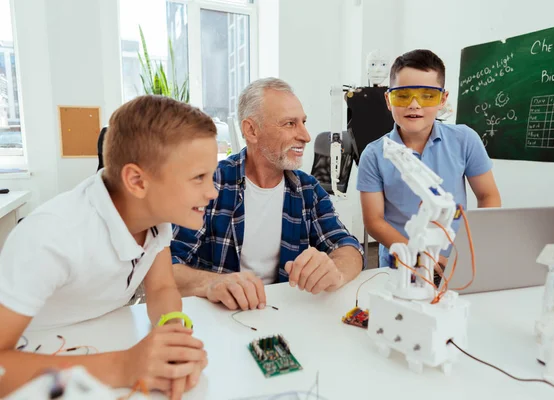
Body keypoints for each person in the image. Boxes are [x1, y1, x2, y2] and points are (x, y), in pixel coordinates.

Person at [0, 95, 218, 399]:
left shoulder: (154, 216)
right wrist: (124, 366)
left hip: (92, 345)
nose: (212, 191)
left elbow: (161, 288)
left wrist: (172, 333)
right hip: (35, 364)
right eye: (199, 178)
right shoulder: (51, 236)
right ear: (137, 182)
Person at [171, 78, 364, 311]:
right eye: (290, 124)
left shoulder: (308, 190)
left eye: (303, 122)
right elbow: (164, 267)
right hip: (219, 315)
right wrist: (212, 283)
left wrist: (336, 270)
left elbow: (349, 248)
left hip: (282, 311)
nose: (306, 136)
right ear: (251, 130)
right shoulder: (211, 184)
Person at [357, 49, 501, 269]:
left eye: (427, 95)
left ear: (443, 99)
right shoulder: (375, 154)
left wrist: (475, 249)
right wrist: (421, 258)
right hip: (400, 262)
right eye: (403, 95)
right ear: (388, 99)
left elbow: (488, 195)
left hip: (455, 262)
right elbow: (374, 221)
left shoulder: (465, 140)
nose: (414, 105)